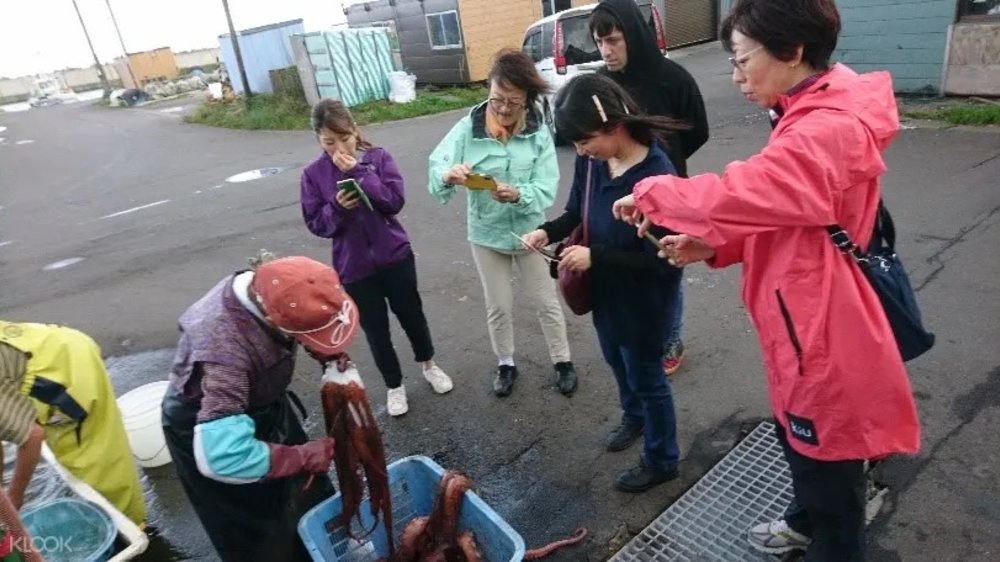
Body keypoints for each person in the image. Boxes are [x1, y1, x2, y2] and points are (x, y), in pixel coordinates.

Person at [612, 0, 920, 558]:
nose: (735, 76)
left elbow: (751, 189)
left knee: (826, 456)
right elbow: (791, 211)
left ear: (794, 52)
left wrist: (655, 192)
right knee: (799, 436)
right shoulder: (813, 107)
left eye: (742, 59)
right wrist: (714, 243)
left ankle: (828, 541)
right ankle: (804, 521)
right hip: (800, 309)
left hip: (818, 323)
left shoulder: (827, 126)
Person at [521, 73, 684, 493]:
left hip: (645, 302)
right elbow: (576, 211)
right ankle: (634, 418)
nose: (581, 150)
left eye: (584, 140)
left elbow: (664, 260)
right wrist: (547, 230)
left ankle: (662, 458)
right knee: (616, 360)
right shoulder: (593, 162)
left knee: (648, 377)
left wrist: (598, 257)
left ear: (614, 126)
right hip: (606, 295)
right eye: (575, 144)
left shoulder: (656, 173)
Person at [162, 255, 354, 562]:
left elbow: (304, 308)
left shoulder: (275, 283)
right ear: (270, 318)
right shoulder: (226, 352)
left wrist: (322, 346)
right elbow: (221, 457)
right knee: (262, 535)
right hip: (213, 430)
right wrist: (300, 456)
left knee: (308, 494)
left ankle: (328, 548)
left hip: (263, 403)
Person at [428, 49, 577, 398]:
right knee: (498, 305)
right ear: (488, 90)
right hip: (485, 234)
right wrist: (448, 175)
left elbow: (546, 187)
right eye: (497, 99)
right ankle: (506, 363)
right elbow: (438, 164)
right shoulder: (468, 128)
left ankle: (563, 361)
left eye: (513, 101)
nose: (504, 109)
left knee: (546, 302)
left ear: (527, 99)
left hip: (530, 233)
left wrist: (519, 195)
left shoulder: (538, 132)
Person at [301, 99, 453, 417]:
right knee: (376, 330)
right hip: (354, 268)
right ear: (318, 140)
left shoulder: (377, 158)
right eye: (329, 142)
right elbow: (316, 223)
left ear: (355, 131)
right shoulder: (313, 175)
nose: (338, 147)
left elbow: (394, 201)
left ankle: (429, 365)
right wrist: (338, 208)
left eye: (344, 138)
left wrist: (358, 173)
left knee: (412, 316)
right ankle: (394, 386)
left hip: (395, 256)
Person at [590, 0, 710, 376]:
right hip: (616, 195)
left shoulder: (672, 77)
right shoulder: (601, 85)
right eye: (599, 43)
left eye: (613, 40)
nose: (606, 51)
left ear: (633, 36)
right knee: (626, 266)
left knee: (665, 266)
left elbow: (698, 130)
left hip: (670, 194)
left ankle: (670, 337)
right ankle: (636, 335)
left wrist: (667, 163)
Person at [0, 320, 146, 526]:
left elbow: (32, 437)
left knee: (93, 454)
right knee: (73, 446)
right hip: (54, 347)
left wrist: (15, 496)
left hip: (65, 371)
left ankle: (130, 523)